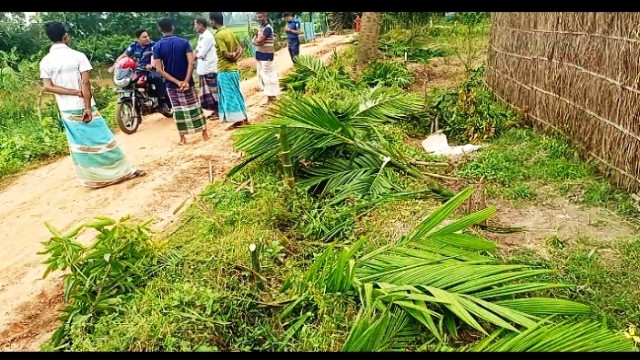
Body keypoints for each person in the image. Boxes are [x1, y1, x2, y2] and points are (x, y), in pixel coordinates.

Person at [39, 21, 145, 188]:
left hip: (66, 109)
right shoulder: (78, 56)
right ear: (65, 37)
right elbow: (86, 83)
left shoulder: (45, 61)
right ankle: (123, 171)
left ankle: (93, 179)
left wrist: (73, 93)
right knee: (104, 139)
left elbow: (48, 87)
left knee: (80, 145)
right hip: (84, 104)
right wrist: (87, 106)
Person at [152, 17, 208, 145]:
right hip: (188, 82)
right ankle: (204, 133)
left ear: (160, 29)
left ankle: (183, 138)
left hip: (172, 85)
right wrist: (186, 80)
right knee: (195, 107)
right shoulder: (184, 42)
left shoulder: (157, 47)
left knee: (178, 111)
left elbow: (159, 70)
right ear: (172, 27)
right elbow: (191, 62)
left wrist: (177, 82)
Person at [108, 29, 169, 110]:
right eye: (144, 37)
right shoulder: (134, 46)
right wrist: (115, 65)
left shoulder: (153, 45)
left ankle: (163, 100)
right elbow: (124, 56)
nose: (147, 38)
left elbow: (156, 56)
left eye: (147, 36)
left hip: (152, 69)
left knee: (156, 78)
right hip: (139, 70)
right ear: (138, 38)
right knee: (130, 81)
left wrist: (151, 64)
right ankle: (138, 100)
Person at [209, 12, 249, 130]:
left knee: (229, 95)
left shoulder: (218, 35)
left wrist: (232, 56)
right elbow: (240, 48)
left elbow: (225, 53)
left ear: (214, 21)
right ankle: (244, 117)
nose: (210, 23)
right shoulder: (229, 31)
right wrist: (236, 57)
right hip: (234, 69)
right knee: (236, 93)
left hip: (225, 69)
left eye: (211, 21)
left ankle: (238, 120)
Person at [193, 16, 219, 120]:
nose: (195, 27)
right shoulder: (201, 36)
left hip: (209, 68)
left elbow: (201, 53)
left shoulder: (207, 36)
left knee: (214, 91)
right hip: (204, 68)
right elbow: (196, 49)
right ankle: (214, 110)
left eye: (196, 24)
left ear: (200, 25)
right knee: (208, 91)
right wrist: (194, 54)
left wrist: (192, 57)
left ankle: (218, 111)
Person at [252, 12, 279, 105]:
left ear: (265, 16)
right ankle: (270, 97)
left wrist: (255, 40)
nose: (259, 19)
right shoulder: (262, 28)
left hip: (266, 56)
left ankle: (272, 97)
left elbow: (258, 41)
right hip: (260, 56)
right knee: (263, 76)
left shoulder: (267, 28)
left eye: (260, 17)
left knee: (269, 76)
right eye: (257, 17)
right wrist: (257, 41)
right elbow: (258, 41)